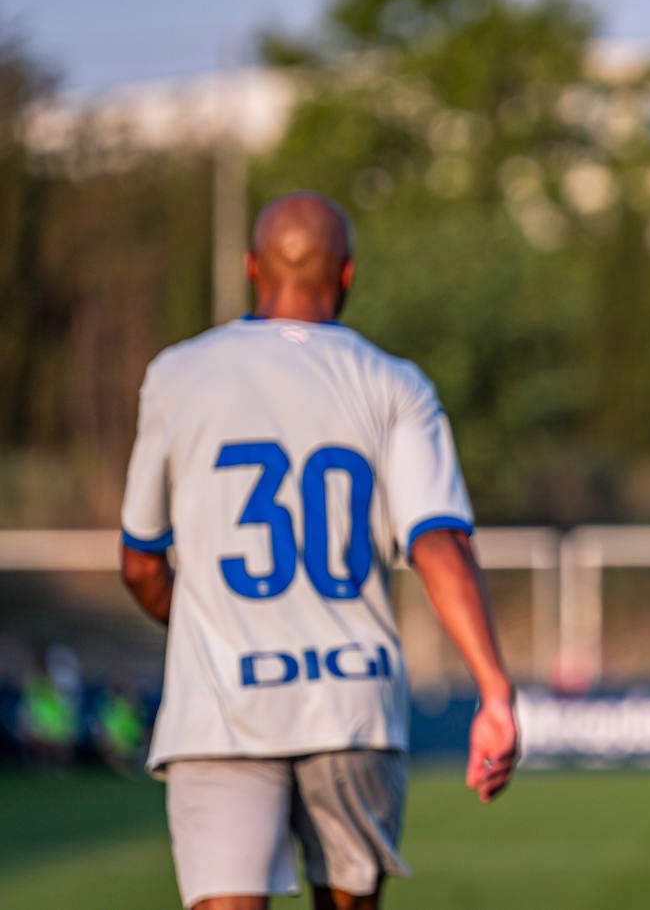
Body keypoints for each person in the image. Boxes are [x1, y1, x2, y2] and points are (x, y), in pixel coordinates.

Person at [119, 191, 518, 910]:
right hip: (352, 701)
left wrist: (212, 629)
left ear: (250, 268)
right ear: (348, 275)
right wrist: (494, 689)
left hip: (219, 703)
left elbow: (142, 563)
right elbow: (438, 543)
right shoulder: (395, 382)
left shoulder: (177, 375)